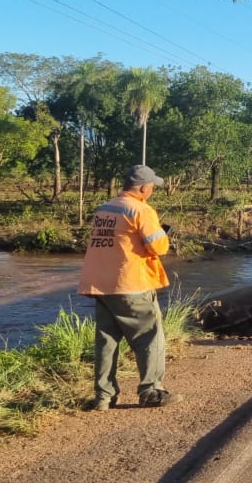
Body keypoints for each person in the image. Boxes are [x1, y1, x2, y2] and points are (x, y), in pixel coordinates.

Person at [79, 164, 180, 409]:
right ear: (144, 188)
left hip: (102, 285)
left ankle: (104, 397)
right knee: (150, 338)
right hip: (131, 284)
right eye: (152, 187)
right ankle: (151, 392)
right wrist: (164, 235)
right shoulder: (141, 210)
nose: (153, 190)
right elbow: (158, 247)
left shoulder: (104, 209)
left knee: (107, 342)